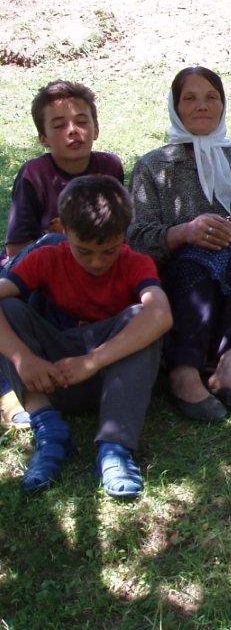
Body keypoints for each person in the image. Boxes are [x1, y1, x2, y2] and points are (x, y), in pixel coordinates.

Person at [0, 175, 172, 498]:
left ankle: (115, 447)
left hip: (111, 378)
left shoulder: (135, 263)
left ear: (124, 234)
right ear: (63, 229)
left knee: (142, 319)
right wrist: (25, 359)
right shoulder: (47, 257)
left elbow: (161, 314)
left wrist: (91, 362)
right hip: (52, 376)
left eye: (108, 251)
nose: (97, 262)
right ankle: (49, 429)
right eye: (85, 251)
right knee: (8, 308)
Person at [128, 67, 231, 422]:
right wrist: (185, 232)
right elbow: (136, 237)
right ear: (175, 107)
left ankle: (230, 364)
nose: (202, 106)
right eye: (190, 98)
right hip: (179, 274)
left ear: (223, 105)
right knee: (196, 259)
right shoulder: (153, 167)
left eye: (211, 97)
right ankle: (184, 370)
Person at [1, 80, 124, 430]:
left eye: (82, 121)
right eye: (59, 125)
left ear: (96, 128)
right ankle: (10, 387)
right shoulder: (34, 175)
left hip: (96, 267)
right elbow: (16, 250)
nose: (73, 131)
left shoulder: (109, 167)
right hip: (43, 272)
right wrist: (61, 243)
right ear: (43, 137)